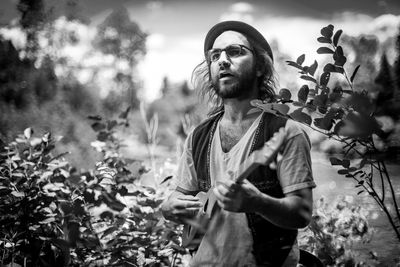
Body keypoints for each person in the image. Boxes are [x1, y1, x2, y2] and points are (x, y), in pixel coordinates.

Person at [161, 21, 316, 267]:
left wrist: (259, 202)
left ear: (260, 68)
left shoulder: (286, 133)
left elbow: (302, 213)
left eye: (235, 51)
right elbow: (179, 197)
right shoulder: (198, 137)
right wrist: (169, 207)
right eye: (215, 56)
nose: (222, 60)